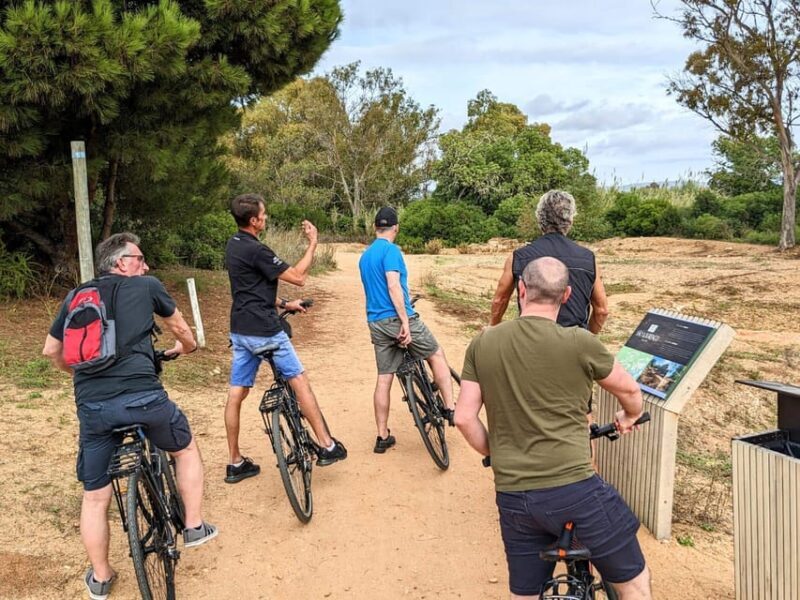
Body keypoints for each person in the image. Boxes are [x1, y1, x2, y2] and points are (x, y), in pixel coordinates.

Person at [455, 257, 652, 600]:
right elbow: (631, 392)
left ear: (521, 290)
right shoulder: (579, 341)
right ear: (566, 296)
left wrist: (496, 451)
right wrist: (628, 417)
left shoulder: (483, 343)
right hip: (576, 490)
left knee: (526, 593)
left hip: (514, 497)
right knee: (634, 580)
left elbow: (463, 418)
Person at [42, 233, 216, 600]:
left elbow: (52, 350)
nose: (146, 265)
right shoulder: (148, 286)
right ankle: (195, 525)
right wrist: (187, 347)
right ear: (122, 263)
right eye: (140, 258)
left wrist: (81, 375)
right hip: (144, 398)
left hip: (93, 409)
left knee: (94, 496)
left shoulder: (76, 296)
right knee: (184, 448)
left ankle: (101, 578)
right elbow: (181, 330)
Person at [224, 193, 346, 483]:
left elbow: (251, 288)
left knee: (237, 393)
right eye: (263, 215)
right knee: (299, 380)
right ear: (253, 221)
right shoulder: (258, 250)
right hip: (265, 330)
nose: (265, 217)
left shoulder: (233, 245)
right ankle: (326, 445)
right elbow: (299, 276)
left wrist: (284, 304)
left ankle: (235, 462)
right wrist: (313, 243)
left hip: (240, 330)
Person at [358, 206, 455, 454]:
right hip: (396, 318)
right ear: (396, 227)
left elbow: (379, 289)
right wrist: (404, 321)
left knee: (384, 377)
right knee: (435, 354)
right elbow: (392, 286)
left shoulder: (365, 256)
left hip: (376, 322)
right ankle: (450, 407)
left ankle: (382, 436)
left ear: (375, 228)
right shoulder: (391, 251)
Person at [489, 189, 608, 332]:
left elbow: (499, 300)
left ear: (540, 219)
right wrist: (588, 339)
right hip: (573, 343)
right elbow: (601, 310)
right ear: (570, 220)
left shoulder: (518, 257)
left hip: (530, 340)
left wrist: (493, 328)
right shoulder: (588, 259)